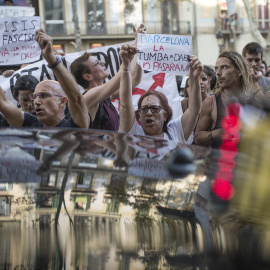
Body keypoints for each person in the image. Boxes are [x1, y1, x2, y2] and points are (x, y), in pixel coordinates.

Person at [0, 29, 90, 129]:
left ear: (62, 101)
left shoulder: (74, 126)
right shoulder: (30, 123)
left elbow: (76, 98)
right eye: (35, 96)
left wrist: (51, 58)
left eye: (43, 96)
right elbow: (3, 102)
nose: (36, 102)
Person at [118, 44, 202, 143]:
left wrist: (194, 78)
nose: (149, 113)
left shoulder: (175, 132)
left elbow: (194, 110)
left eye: (155, 108)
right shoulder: (133, 132)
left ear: (165, 115)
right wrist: (125, 67)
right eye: (144, 109)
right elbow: (125, 105)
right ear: (139, 117)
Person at [70, 24, 145, 131]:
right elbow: (121, 75)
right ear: (88, 76)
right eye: (97, 63)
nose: (103, 63)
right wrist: (128, 57)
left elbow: (134, 79)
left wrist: (139, 44)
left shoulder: (105, 98)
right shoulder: (87, 98)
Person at [195, 51, 253, 148]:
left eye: (224, 67)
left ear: (239, 71)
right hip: (217, 162)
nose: (218, 73)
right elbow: (197, 137)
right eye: (216, 68)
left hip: (246, 162)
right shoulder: (211, 102)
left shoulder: (253, 102)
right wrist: (217, 134)